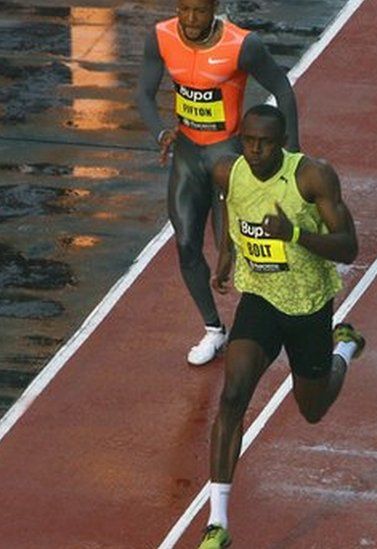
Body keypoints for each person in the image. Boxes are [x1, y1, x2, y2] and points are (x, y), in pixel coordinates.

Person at [198, 105, 363, 548]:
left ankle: (343, 348)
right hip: (260, 300)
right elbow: (224, 203)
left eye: (265, 142)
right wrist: (228, 251)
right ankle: (218, 523)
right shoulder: (228, 172)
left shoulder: (312, 177)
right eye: (248, 141)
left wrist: (292, 235)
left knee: (312, 409)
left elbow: (349, 247)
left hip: (308, 307)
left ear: (283, 140)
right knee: (233, 394)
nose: (255, 150)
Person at [135, 0, 300, 365]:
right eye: (184, 9)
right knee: (186, 244)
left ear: (215, 9)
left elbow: (283, 90)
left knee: (240, 248)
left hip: (228, 159)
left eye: (200, 11)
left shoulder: (243, 45)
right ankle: (214, 330)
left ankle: (287, 316)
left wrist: (293, 155)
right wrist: (160, 132)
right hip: (188, 157)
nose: (191, 19)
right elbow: (144, 93)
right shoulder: (160, 36)